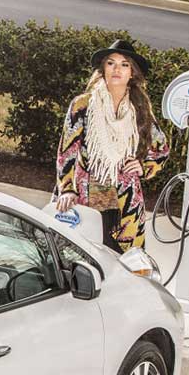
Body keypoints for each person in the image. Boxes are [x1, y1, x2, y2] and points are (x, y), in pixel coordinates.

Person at [54, 39, 170, 252]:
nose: (117, 69)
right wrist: (67, 189)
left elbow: (161, 148)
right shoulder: (83, 105)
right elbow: (67, 151)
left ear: (132, 73)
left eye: (124, 64)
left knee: (123, 262)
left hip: (124, 206)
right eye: (111, 63)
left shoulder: (139, 109)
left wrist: (144, 166)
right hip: (83, 200)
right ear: (103, 69)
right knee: (78, 259)